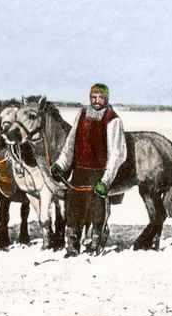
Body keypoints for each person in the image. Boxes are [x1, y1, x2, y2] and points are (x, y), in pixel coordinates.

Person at [50, 83, 127, 257]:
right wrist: (61, 164)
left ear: (106, 98)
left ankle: (95, 244)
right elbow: (70, 144)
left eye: (100, 97)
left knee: (97, 211)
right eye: (94, 97)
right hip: (79, 171)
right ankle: (72, 246)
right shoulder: (82, 114)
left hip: (99, 173)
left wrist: (106, 180)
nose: (97, 101)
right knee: (73, 210)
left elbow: (117, 153)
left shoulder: (112, 119)